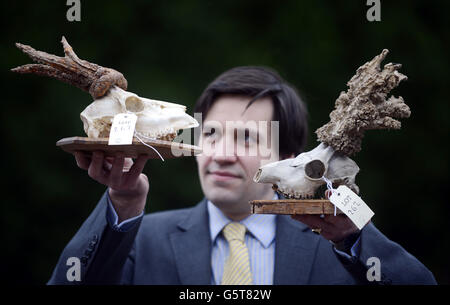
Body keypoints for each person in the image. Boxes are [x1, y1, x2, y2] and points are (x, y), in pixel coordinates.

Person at [48, 66, 436, 285]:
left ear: (287, 156)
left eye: (247, 138)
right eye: (211, 133)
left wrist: (355, 237)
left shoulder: (340, 248)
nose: (222, 152)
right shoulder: (140, 241)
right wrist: (124, 202)